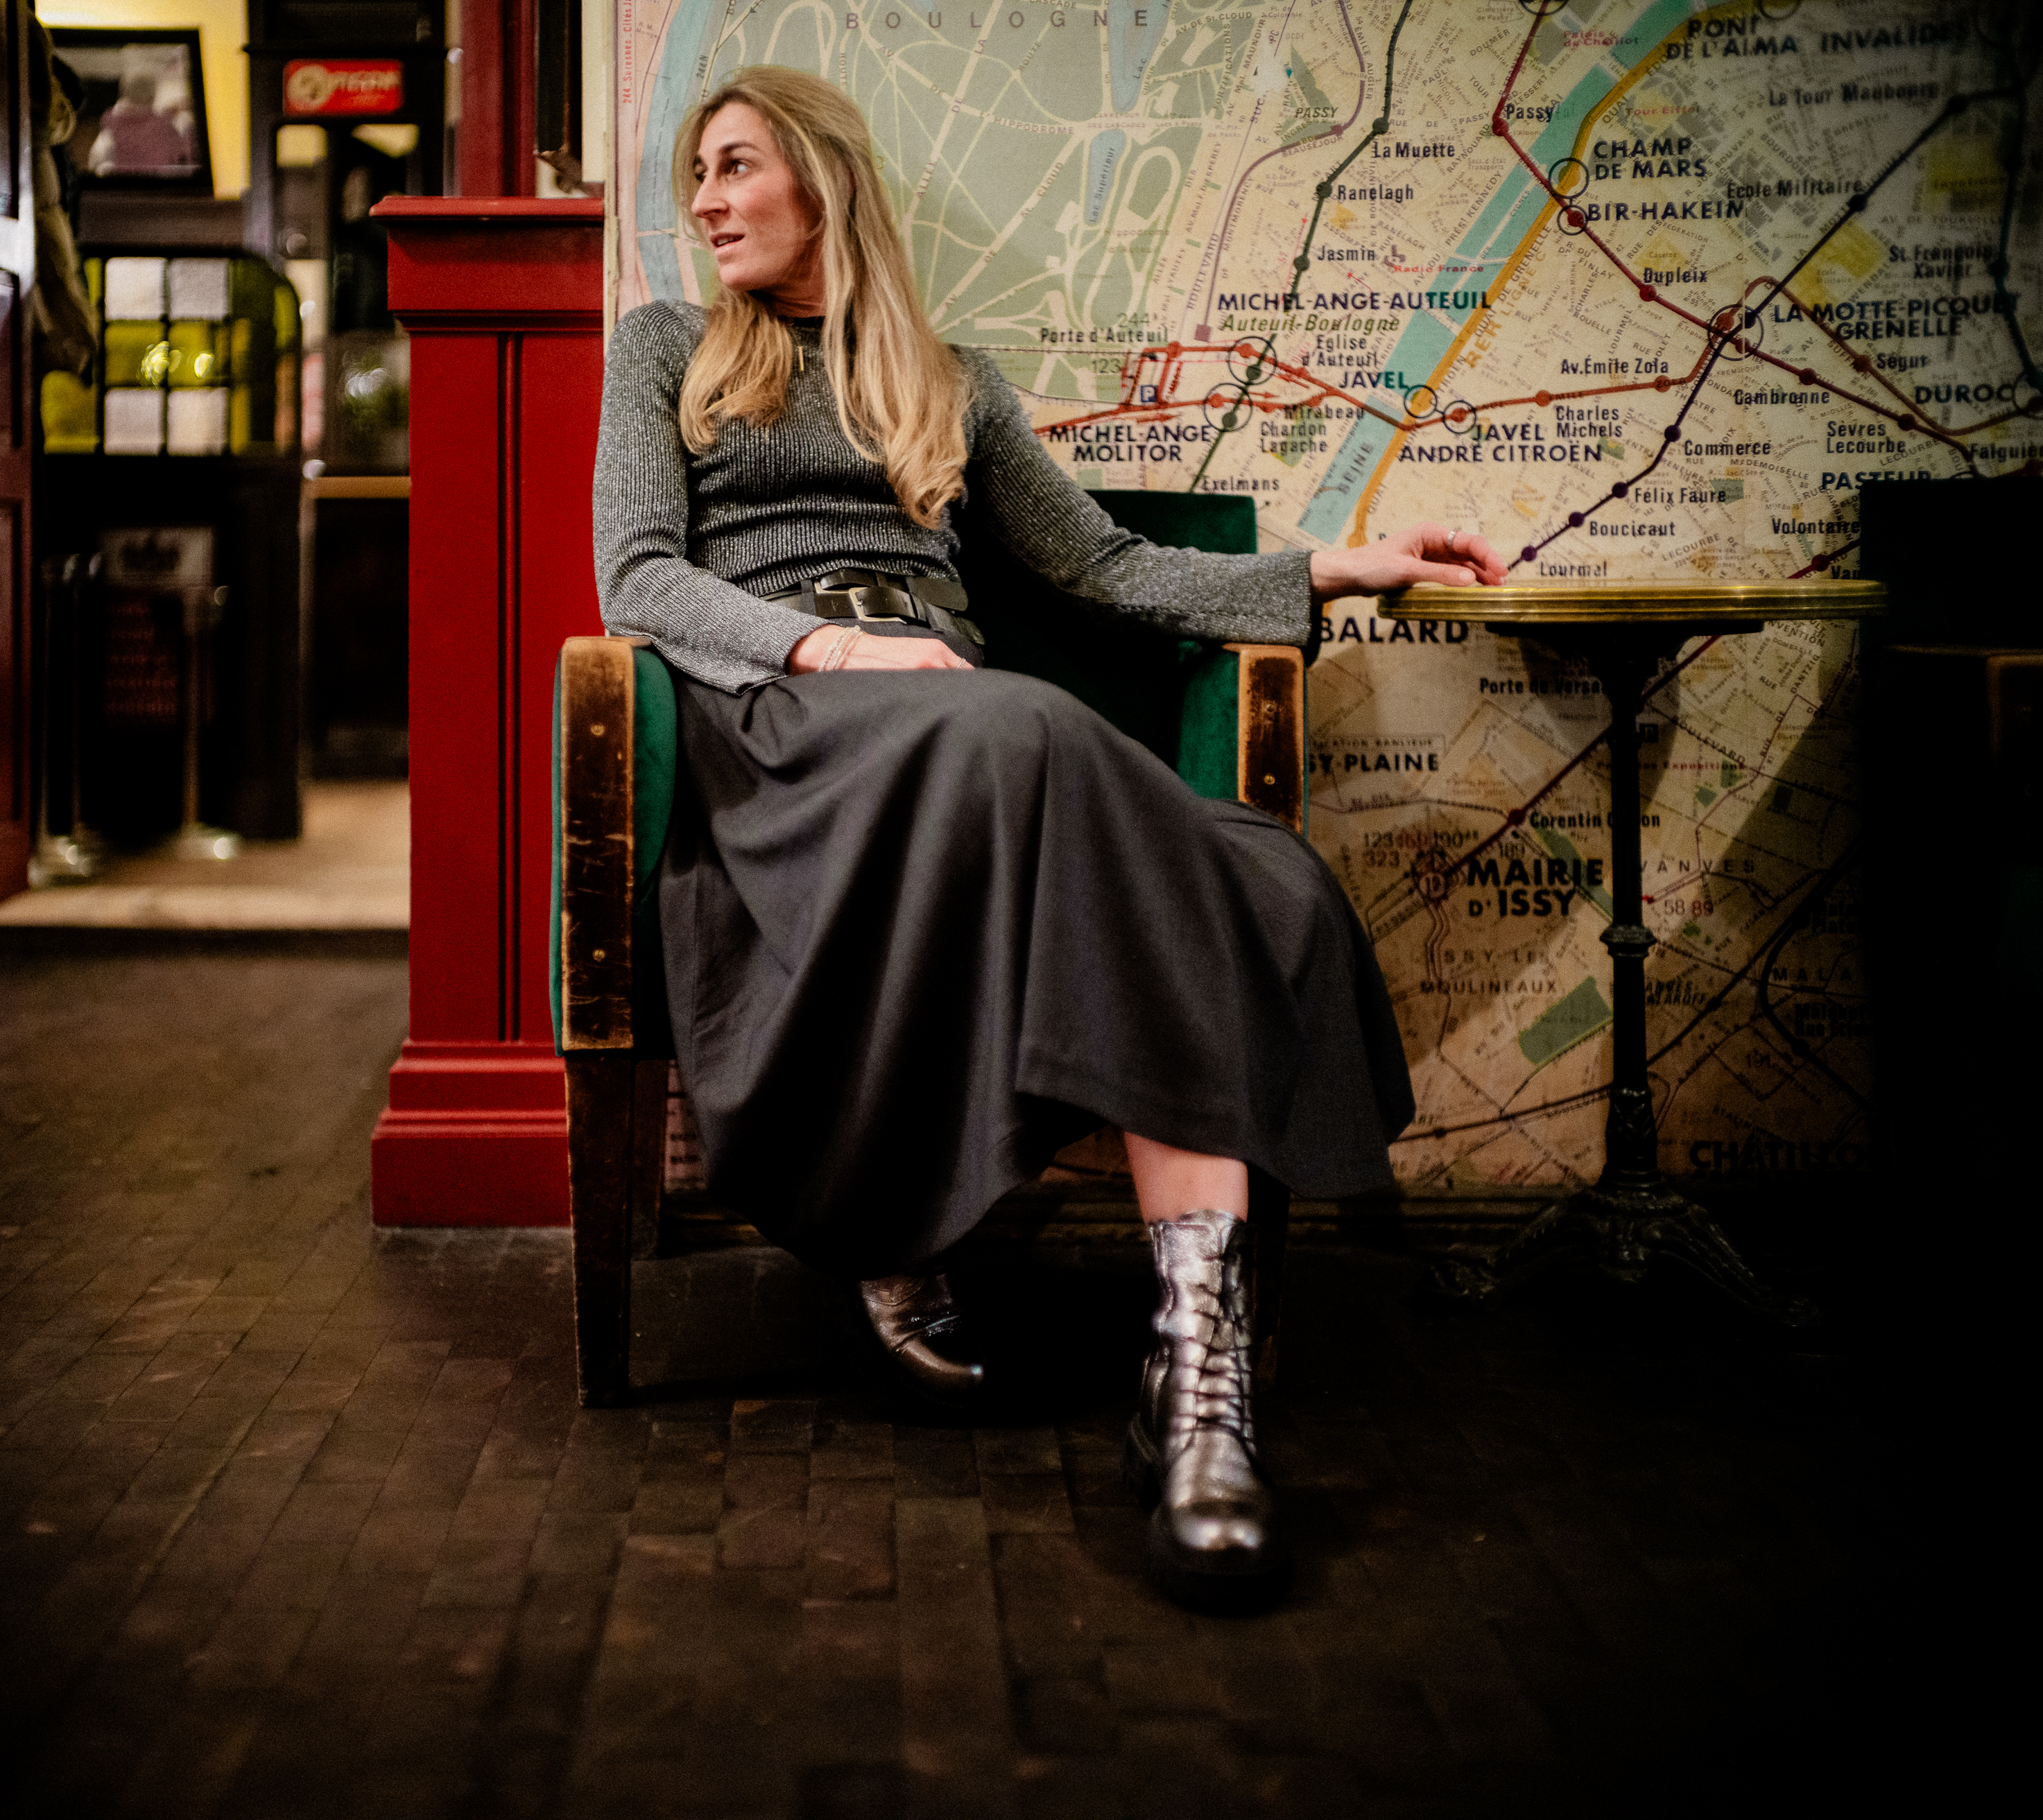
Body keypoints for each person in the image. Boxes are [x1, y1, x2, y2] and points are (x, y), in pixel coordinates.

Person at [591, 67, 1506, 1604]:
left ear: (821, 180)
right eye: (697, 173)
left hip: (965, 728)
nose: (704, 200)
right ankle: (1001, 1258)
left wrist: (1343, 564)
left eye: (735, 166)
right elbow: (638, 580)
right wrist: (841, 653)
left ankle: (1194, 1361)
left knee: (1248, 876)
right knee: (1027, 730)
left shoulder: (954, 382)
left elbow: (1105, 566)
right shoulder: (667, 350)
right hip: (799, 727)